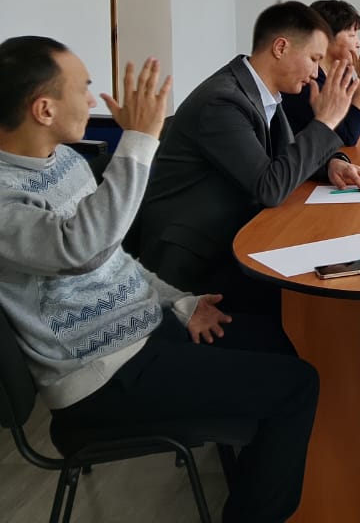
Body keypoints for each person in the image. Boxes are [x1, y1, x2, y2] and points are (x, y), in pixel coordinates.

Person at [0, 37, 319, 523]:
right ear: (44, 109)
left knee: (276, 337)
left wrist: (179, 302)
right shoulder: (5, 197)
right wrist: (139, 141)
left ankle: (257, 490)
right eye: (82, 88)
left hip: (141, 331)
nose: (92, 99)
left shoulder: (63, 161)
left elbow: (114, 260)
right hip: (98, 374)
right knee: (297, 386)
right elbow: (80, 250)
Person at [135, 1, 360, 311]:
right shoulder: (222, 102)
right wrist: (325, 123)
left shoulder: (261, 92)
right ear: (281, 47)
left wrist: (331, 164)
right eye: (314, 59)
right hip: (193, 265)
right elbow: (270, 187)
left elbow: (282, 156)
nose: (316, 72)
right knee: (316, 302)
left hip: (234, 236)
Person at [281, 0, 360, 147]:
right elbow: (349, 136)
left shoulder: (341, 73)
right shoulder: (306, 81)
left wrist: (356, 123)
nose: (358, 43)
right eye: (352, 35)